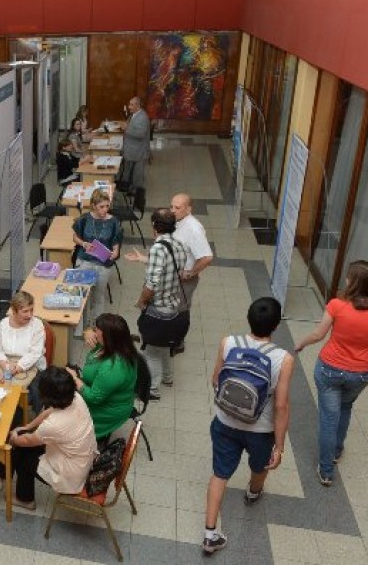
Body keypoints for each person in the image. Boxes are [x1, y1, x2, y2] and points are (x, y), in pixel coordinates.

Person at [203, 297, 294, 556]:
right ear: (276, 326)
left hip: (224, 422)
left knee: (220, 473)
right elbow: (281, 406)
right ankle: (253, 493)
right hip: (261, 431)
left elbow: (215, 379)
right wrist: (280, 446)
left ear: (249, 318)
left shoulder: (228, 342)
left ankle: (210, 534)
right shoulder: (283, 359)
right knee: (259, 465)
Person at [294, 260, 368, 487]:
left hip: (330, 369)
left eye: (349, 277)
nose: (346, 280)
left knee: (328, 419)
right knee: (345, 408)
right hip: (362, 373)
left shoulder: (337, 305)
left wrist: (301, 344)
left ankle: (326, 471)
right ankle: (336, 451)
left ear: (354, 283)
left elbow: (319, 334)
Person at [0, 366, 98, 511]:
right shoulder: (74, 398)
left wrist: (14, 436)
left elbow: (26, 441)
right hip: (78, 454)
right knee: (23, 440)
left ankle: (25, 499)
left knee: (24, 454)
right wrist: (27, 427)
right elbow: (49, 411)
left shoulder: (54, 425)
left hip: (71, 472)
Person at [125, 208, 188, 399]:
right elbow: (171, 268)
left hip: (158, 309)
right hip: (174, 307)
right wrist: (144, 259)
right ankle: (168, 377)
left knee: (152, 351)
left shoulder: (158, 249)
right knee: (164, 346)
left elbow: (152, 283)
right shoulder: (178, 245)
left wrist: (142, 301)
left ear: (154, 227)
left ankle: (151, 389)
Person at [70, 314, 139, 446]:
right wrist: (87, 332)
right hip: (98, 390)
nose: (93, 332)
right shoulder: (115, 346)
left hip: (106, 409)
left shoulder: (113, 367)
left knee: (64, 416)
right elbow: (89, 333)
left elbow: (94, 397)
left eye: (96, 330)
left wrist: (74, 378)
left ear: (106, 336)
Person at [0, 291, 46, 410]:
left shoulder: (37, 325)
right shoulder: (3, 324)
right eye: (25, 311)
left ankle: (17, 417)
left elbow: (34, 354)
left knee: (17, 393)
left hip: (29, 364)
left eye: (31, 310)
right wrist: (6, 366)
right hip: (5, 362)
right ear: (14, 311)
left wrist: (14, 370)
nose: (29, 315)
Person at [170, 193, 214, 355]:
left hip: (184, 280)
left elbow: (207, 257)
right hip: (173, 276)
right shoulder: (178, 221)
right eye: (171, 206)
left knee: (180, 311)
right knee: (173, 309)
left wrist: (191, 272)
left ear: (188, 209)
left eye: (177, 208)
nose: (172, 210)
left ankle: (177, 343)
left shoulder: (194, 229)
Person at [73, 189, 123, 325]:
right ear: (94, 205)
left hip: (103, 263)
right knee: (81, 295)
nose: (105, 210)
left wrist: (116, 252)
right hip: (84, 261)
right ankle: (80, 325)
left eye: (107, 206)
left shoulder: (113, 221)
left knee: (99, 296)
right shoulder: (84, 219)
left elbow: (116, 241)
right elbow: (75, 237)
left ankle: (98, 326)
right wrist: (83, 243)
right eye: (102, 206)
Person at [118, 97, 150, 189]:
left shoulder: (142, 117)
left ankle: (137, 194)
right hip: (132, 150)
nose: (129, 107)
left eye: (131, 105)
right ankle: (128, 188)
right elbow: (131, 126)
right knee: (130, 173)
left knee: (137, 176)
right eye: (129, 104)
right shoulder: (133, 115)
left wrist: (126, 128)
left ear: (138, 105)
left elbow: (140, 134)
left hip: (138, 152)